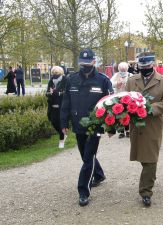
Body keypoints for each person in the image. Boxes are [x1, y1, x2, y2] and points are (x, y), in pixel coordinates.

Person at [60, 48, 114, 207]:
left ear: (94, 62)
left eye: (88, 63)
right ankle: (99, 175)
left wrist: (110, 127)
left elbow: (111, 104)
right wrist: (63, 123)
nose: (85, 65)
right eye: (82, 63)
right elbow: (66, 103)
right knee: (85, 155)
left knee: (88, 157)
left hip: (94, 126)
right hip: (78, 125)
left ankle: (83, 191)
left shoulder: (103, 80)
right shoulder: (72, 79)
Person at [125, 52, 163, 207]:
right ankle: (149, 178)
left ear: (153, 65)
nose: (144, 69)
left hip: (152, 125)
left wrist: (148, 108)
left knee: (151, 158)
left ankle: (146, 192)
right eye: (142, 66)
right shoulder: (132, 80)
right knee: (141, 156)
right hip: (136, 126)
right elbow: (124, 99)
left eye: (147, 66)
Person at [46, 66, 67, 148]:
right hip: (53, 105)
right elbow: (47, 92)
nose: (55, 74)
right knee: (53, 122)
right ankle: (63, 134)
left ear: (60, 73)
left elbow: (67, 92)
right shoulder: (51, 81)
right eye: (54, 73)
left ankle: (61, 140)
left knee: (61, 123)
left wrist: (57, 93)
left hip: (62, 105)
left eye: (57, 73)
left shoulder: (65, 80)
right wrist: (49, 93)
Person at [110, 62, 132, 138]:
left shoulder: (130, 75)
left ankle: (128, 131)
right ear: (119, 69)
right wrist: (117, 83)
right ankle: (121, 132)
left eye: (124, 70)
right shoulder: (116, 75)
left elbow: (134, 84)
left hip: (128, 98)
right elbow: (110, 83)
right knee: (119, 114)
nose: (123, 71)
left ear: (127, 69)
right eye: (121, 70)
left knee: (127, 114)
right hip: (118, 97)